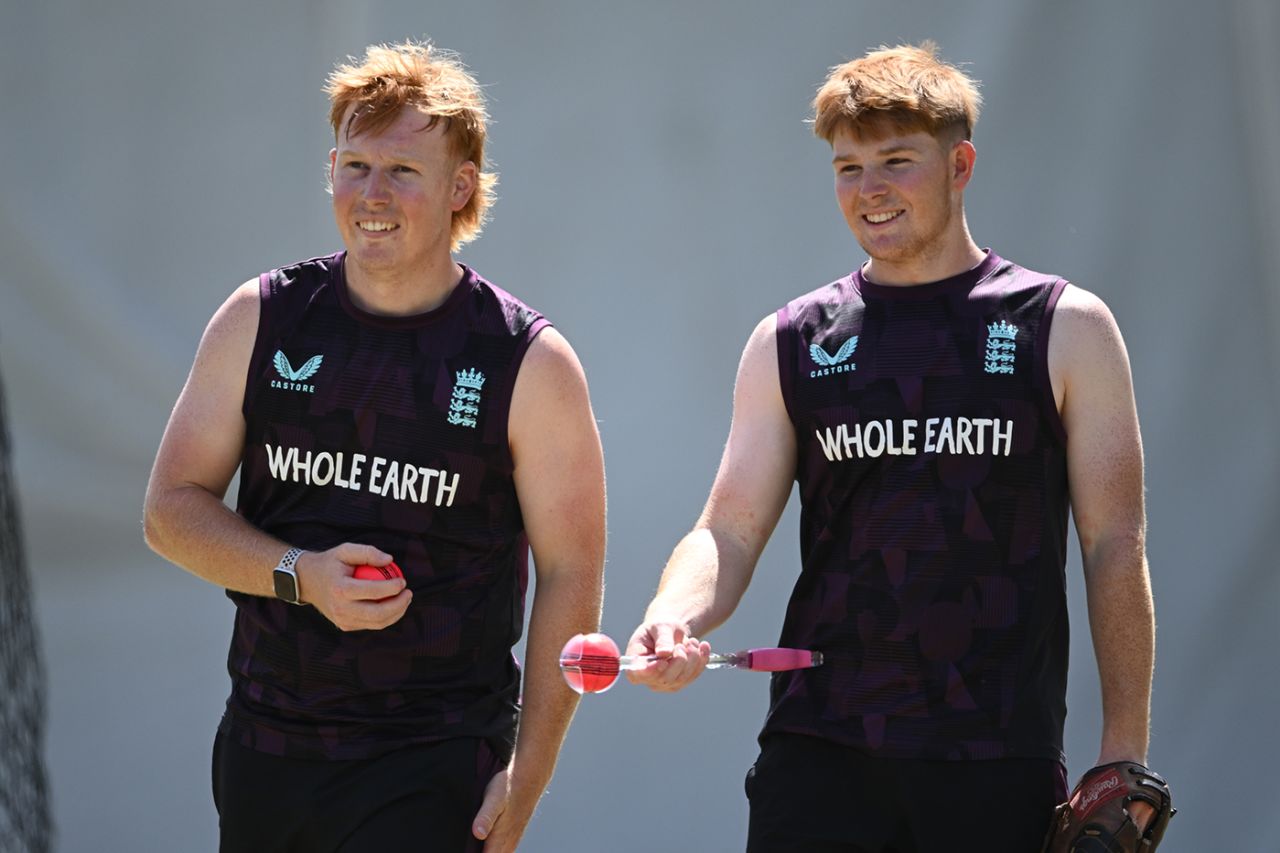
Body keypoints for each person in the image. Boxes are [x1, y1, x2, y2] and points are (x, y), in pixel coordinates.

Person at [626, 42, 1167, 851]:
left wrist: (1124, 749)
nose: (869, 190)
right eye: (848, 168)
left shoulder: (1064, 326)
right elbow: (727, 529)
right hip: (820, 753)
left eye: (897, 161)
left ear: (961, 165)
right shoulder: (792, 339)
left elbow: (1113, 544)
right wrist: (670, 615)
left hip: (994, 755)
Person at [143, 40, 605, 853]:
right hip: (267, 749)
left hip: (434, 763)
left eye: (403, 171)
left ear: (462, 187)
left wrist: (529, 771)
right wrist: (299, 576)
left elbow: (573, 571)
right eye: (354, 165)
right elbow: (170, 511)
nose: (372, 195)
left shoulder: (527, 359)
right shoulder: (262, 317)